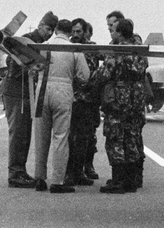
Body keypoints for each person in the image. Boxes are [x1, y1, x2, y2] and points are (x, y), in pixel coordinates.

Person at [31, 19, 89, 192]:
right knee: (61, 137)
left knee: (41, 137)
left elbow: (32, 67)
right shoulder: (73, 49)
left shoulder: (42, 45)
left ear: (55, 30)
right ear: (70, 31)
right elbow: (84, 76)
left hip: (42, 89)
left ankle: (39, 178)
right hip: (63, 90)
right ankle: (57, 181)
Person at [92, 18, 148, 193]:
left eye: (114, 30)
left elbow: (103, 75)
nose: (111, 33)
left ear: (120, 33)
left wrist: (90, 82)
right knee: (132, 138)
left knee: (115, 139)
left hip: (118, 102)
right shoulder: (140, 52)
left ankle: (118, 181)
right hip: (136, 102)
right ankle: (131, 180)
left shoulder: (117, 52)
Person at [4, 11, 55, 187]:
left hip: (25, 92)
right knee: (18, 132)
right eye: (48, 28)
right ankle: (15, 173)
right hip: (16, 90)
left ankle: (20, 171)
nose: (49, 33)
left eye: (52, 30)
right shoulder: (26, 41)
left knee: (24, 133)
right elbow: (11, 63)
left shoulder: (42, 44)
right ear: (40, 25)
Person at [65, 18, 101, 185]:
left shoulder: (91, 48)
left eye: (79, 31)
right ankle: (70, 172)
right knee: (69, 137)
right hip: (71, 99)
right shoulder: (67, 47)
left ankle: (83, 168)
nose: (75, 35)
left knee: (86, 137)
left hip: (88, 100)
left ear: (85, 31)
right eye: (73, 31)